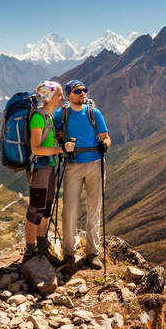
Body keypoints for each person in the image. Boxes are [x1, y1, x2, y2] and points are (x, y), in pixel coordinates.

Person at [54, 79, 111, 270]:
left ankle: (92, 254)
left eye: (84, 90)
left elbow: (106, 138)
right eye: (77, 91)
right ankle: (68, 253)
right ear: (69, 95)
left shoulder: (94, 112)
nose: (82, 93)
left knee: (94, 209)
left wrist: (105, 145)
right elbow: (52, 134)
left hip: (95, 163)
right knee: (69, 211)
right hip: (73, 165)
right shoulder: (61, 114)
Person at [23, 81, 75, 262]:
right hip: (38, 169)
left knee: (45, 209)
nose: (63, 97)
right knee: (35, 211)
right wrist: (62, 149)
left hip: (49, 167)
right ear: (48, 96)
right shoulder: (38, 117)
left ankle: (41, 246)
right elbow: (36, 149)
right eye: (59, 94)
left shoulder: (49, 117)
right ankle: (29, 252)